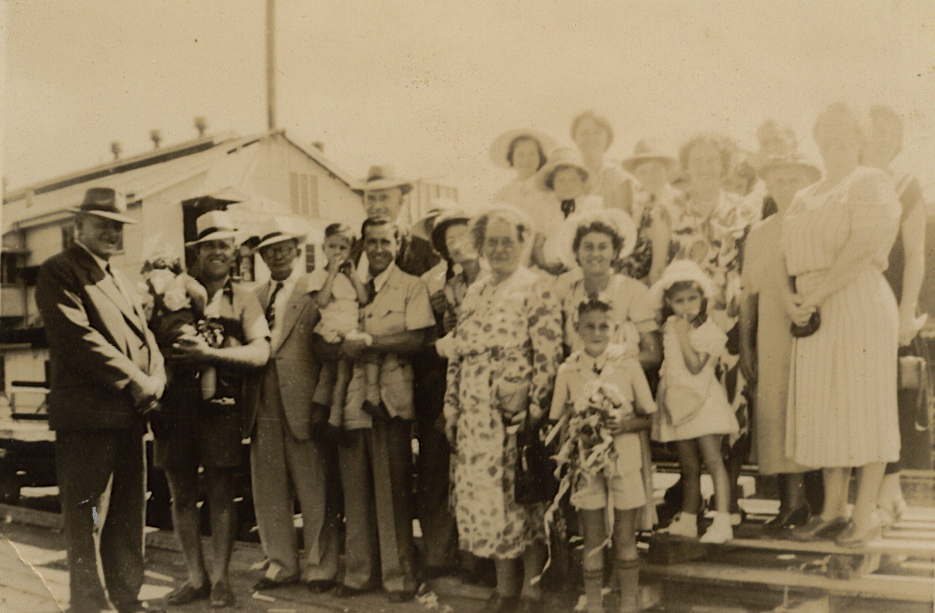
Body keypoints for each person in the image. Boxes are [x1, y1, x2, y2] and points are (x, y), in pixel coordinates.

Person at [35, 187, 167, 613]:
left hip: (129, 416)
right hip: (89, 421)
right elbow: (78, 338)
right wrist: (134, 379)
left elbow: (146, 338)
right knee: (89, 515)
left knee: (129, 514)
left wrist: (157, 375)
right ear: (78, 227)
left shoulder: (118, 276)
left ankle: (126, 598)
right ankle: (90, 604)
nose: (112, 233)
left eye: (117, 226)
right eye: (102, 225)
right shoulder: (60, 271)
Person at [781, 103, 902, 547]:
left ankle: (865, 514)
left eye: (844, 139)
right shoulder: (804, 194)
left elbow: (860, 248)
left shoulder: (870, 181)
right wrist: (795, 299)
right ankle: (832, 512)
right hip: (814, 308)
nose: (835, 148)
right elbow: (787, 254)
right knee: (825, 408)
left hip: (856, 301)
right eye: (826, 140)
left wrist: (815, 295)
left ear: (859, 142)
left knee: (862, 405)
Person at [443, 206, 563, 613]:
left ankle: (531, 590)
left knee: (521, 500)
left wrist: (535, 410)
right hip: (475, 416)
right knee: (488, 502)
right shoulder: (475, 290)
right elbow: (457, 352)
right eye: (491, 242)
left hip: (514, 413)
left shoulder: (536, 287)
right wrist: (451, 407)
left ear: (523, 241)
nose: (499, 249)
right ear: (480, 246)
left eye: (507, 240)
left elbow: (548, 353)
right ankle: (504, 588)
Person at [156, 210, 270, 608]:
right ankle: (195, 578)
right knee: (181, 495)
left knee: (221, 494)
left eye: (224, 244)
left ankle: (221, 578)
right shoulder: (172, 291)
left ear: (234, 251)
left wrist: (213, 356)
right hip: (173, 408)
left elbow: (261, 351)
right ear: (197, 251)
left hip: (220, 407)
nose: (217, 252)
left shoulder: (244, 298)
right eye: (209, 245)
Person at [650, 132, 755, 524]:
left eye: (713, 159)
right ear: (687, 164)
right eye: (698, 159)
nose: (706, 166)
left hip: (726, 318)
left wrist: (745, 326)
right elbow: (659, 268)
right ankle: (689, 500)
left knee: (732, 404)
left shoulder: (743, 208)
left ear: (723, 165)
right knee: (687, 398)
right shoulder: (668, 207)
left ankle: (729, 500)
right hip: (683, 319)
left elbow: (749, 271)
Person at [335, 217, 436, 603]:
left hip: (391, 399)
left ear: (398, 243)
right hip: (352, 399)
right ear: (362, 244)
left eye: (385, 241)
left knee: (392, 490)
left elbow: (416, 338)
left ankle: (399, 577)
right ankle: (359, 573)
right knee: (355, 490)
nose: (378, 249)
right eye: (371, 242)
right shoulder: (348, 288)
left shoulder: (411, 286)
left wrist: (369, 341)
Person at [246, 218, 340, 594]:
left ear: (298, 251)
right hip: (263, 405)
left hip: (304, 401)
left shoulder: (316, 288)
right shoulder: (253, 297)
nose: (278, 255)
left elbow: (330, 349)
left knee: (314, 486)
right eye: (270, 250)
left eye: (285, 248)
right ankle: (281, 564)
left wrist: (322, 399)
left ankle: (321, 566)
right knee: (269, 488)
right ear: (263, 257)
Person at [549, 298, 656, 613]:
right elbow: (558, 420)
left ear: (615, 328)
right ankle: (594, 604)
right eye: (589, 326)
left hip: (624, 459)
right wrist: (580, 428)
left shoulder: (628, 365)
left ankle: (628, 604)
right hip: (586, 463)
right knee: (592, 536)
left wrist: (622, 424)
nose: (597, 332)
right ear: (578, 329)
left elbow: (649, 416)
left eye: (604, 326)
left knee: (625, 535)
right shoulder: (568, 369)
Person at [739, 153, 822, 536]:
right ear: (768, 186)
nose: (785, 186)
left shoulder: (819, 222)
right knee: (775, 411)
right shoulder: (759, 232)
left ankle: (807, 504)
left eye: (794, 179)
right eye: (778, 180)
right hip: (771, 331)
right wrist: (745, 345)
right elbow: (748, 294)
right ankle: (790, 503)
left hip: (811, 329)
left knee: (807, 412)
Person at [863, 105, 929, 526]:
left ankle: (889, 493)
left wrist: (907, 310)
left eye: (892, 133)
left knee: (890, 399)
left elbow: (917, 252)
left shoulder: (906, 185)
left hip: (890, 302)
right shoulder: (845, 180)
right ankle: (879, 497)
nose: (883, 139)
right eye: (876, 131)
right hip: (851, 302)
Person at [650, 261, 739, 544]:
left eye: (692, 299)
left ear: (702, 298)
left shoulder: (704, 328)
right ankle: (689, 518)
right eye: (678, 301)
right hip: (678, 401)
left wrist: (682, 334)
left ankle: (722, 519)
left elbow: (694, 366)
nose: (686, 306)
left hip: (701, 400)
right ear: (668, 302)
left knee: (712, 460)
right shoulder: (671, 325)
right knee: (687, 465)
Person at [554, 209, 661, 369]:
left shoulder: (633, 291)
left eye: (603, 247)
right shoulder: (568, 291)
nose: (595, 254)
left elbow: (653, 354)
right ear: (577, 252)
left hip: (621, 377)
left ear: (615, 252)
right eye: (588, 247)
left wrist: (608, 366)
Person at [308, 223, 376, 432]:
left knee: (333, 373)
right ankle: (334, 420)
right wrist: (332, 274)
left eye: (343, 248)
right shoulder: (318, 276)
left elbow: (364, 298)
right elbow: (321, 301)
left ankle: (322, 415)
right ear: (323, 248)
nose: (337, 252)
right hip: (333, 329)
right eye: (332, 247)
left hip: (350, 328)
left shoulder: (353, 276)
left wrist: (353, 275)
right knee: (342, 372)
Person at [351, 164, 441, 278]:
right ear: (363, 203)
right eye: (371, 198)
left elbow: (440, 279)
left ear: (401, 202)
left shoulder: (424, 250)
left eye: (384, 198)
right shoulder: (354, 249)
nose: (377, 206)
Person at [532, 146, 603, 275]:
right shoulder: (543, 207)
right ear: (552, 183)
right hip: (549, 270)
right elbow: (537, 245)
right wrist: (545, 266)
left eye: (573, 180)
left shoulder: (593, 205)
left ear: (582, 181)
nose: (567, 185)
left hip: (583, 268)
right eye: (561, 180)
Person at [621, 140, 684, 281]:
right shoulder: (639, 203)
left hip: (668, 275)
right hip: (637, 275)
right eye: (643, 171)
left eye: (656, 169)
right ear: (636, 175)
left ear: (666, 171)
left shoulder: (677, 201)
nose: (650, 176)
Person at [571, 110, 638, 214]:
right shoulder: (566, 172)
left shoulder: (619, 177)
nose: (591, 138)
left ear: (608, 138)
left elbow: (625, 223)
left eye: (597, 132)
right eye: (584, 133)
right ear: (575, 137)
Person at [490, 128, 558, 219]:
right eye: (520, 154)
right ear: (511, 157)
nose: (526, 159)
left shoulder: (550, 191)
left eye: (532, 154)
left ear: (540, 157)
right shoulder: (503, 193)